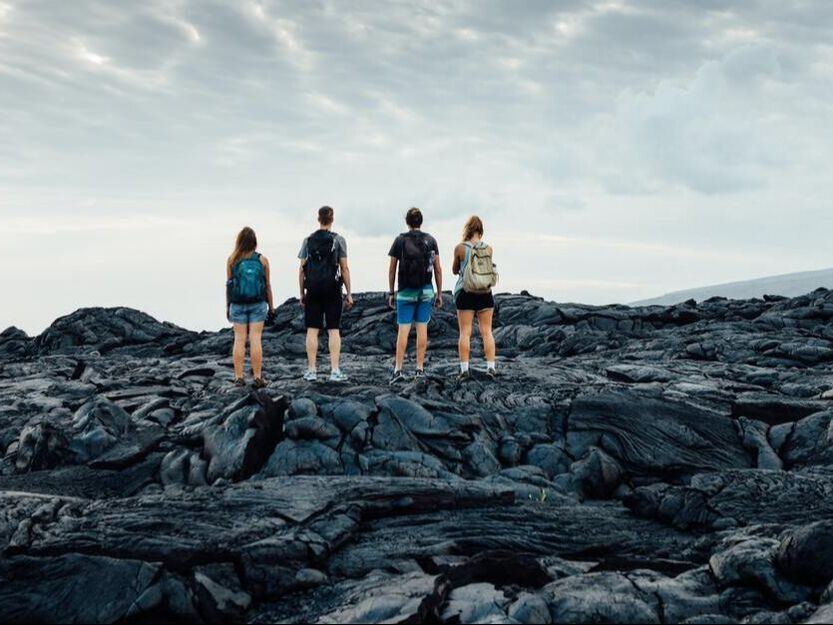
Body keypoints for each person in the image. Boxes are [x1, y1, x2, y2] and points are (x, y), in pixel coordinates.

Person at [387, 207, 443, 384]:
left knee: (403, 330)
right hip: (426, 290)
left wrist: (391, 292)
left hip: (405, 291)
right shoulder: (431, 240)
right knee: (422, 329)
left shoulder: (399, 240)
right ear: (421, 221)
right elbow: (438, 269)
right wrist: (439, 293)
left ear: (407, 222)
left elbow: (392, 269)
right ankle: (419, 369)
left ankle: (398, 370)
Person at [298, 206, 353, 382]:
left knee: (312, 330)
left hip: (313, 290)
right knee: (333, 330)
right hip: (333, 289)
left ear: (318, 219)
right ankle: (335, 371)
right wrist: (349, 293)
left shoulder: (308, 241)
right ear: (332, 219)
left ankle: (312, 371)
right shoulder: (339, 240)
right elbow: (344, 268)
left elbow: (301, 269)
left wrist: (302, 293)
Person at [226, 227, 274, 388]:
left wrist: (228, 306)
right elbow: (267, 286)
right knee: (255, 339)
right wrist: (271, 307)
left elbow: (229, 285)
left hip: (237, 304)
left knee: (239, 340)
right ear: (255, 242)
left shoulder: (232, 260)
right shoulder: (263, 260)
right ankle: (258, 377)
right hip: (258, 304)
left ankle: (239, 377)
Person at [452, 215, 498, 380]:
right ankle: (491, 368)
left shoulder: (460, 248)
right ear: (481, 231)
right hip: (485, 293)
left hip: (466, 292)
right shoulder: (489, 248)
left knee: (465, 332)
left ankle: (464, 370)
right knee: (487, 332)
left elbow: (455, 270)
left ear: (468, 229)